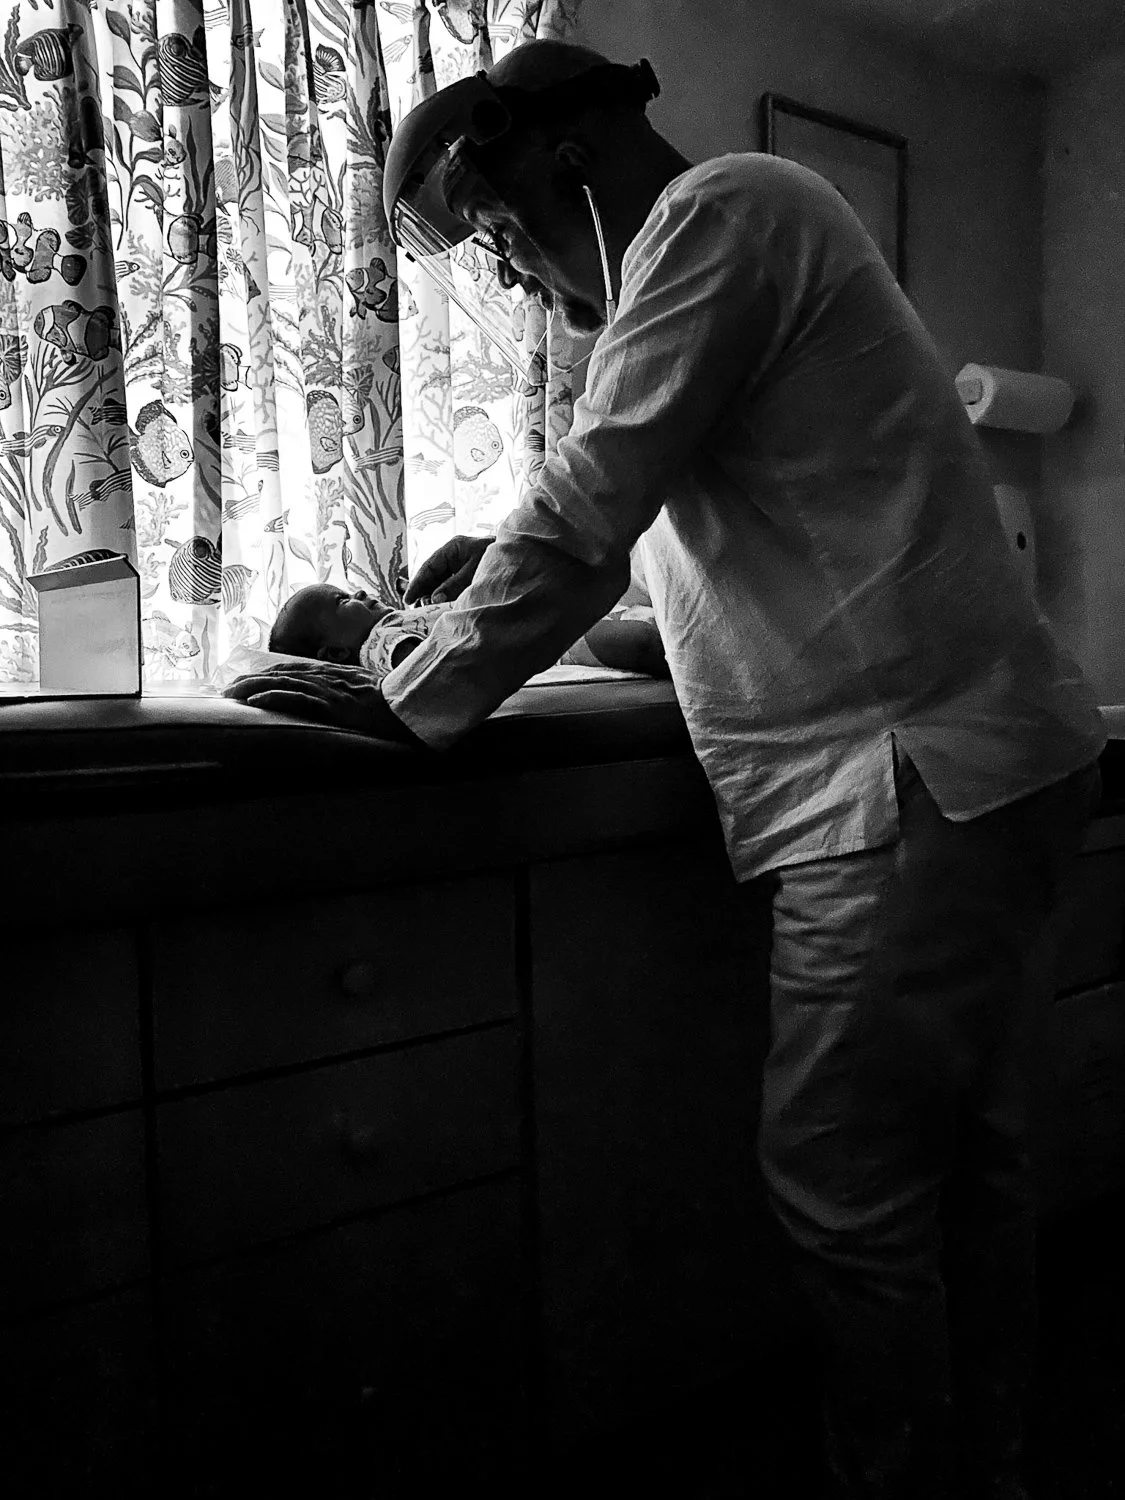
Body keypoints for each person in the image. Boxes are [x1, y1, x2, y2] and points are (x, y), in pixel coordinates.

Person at [225, 39, 1106, 1499]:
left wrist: (399, 663)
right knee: (971, 1165)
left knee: (843, 1186)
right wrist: (489, 605)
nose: (510, 274)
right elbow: (703, 601)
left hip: (904, 785)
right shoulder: (755, 240)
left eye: (500, 229)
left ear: (562, 159)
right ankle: (992, 1471)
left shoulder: (721, 213)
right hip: (991, 760)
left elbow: (584, 514)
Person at [267, 581, 668, 678]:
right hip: (542, 639)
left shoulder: (397, 620)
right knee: (640, 643)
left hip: (538, 618)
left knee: (642, 616)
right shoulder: (379, 642)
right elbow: (421, 664)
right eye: (342, 601)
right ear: (335, 653)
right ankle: (693, 662)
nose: (358, 592)